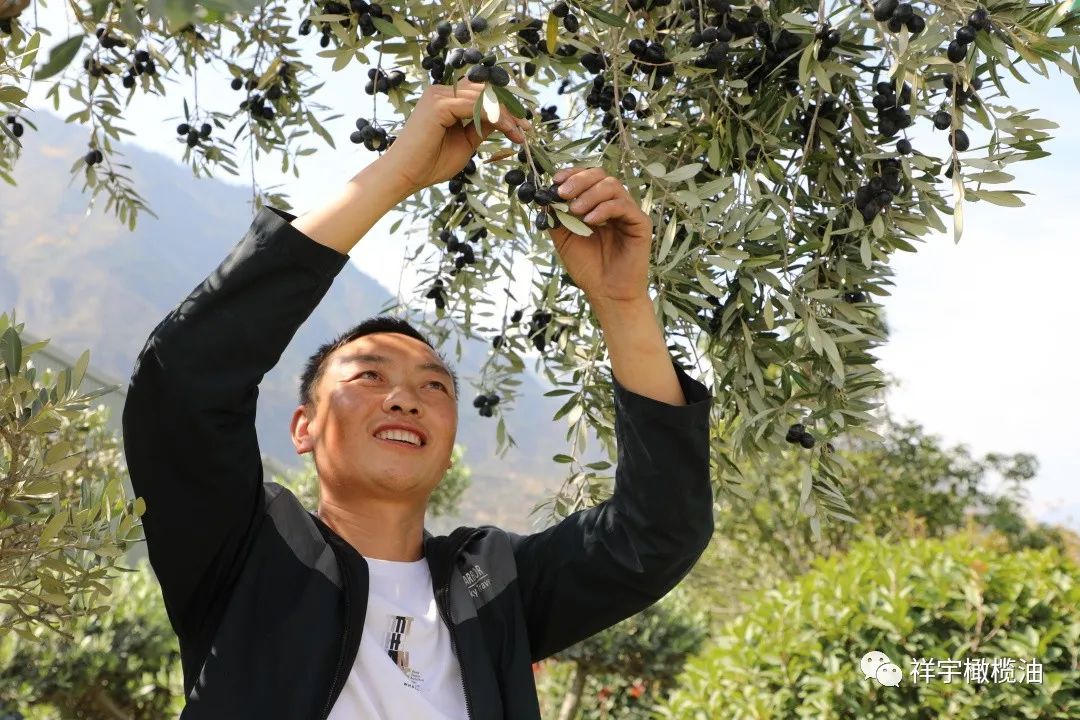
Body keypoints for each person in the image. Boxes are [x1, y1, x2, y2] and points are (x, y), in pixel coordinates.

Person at [122, 78, 714, 720]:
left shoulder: (491, 588)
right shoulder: (244, 552)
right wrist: (397, 173)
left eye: (434, 386)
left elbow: (656, 532)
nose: (405, 399)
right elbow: (181, 380)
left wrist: (622, 301)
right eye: (368, 377)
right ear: (303, 427)